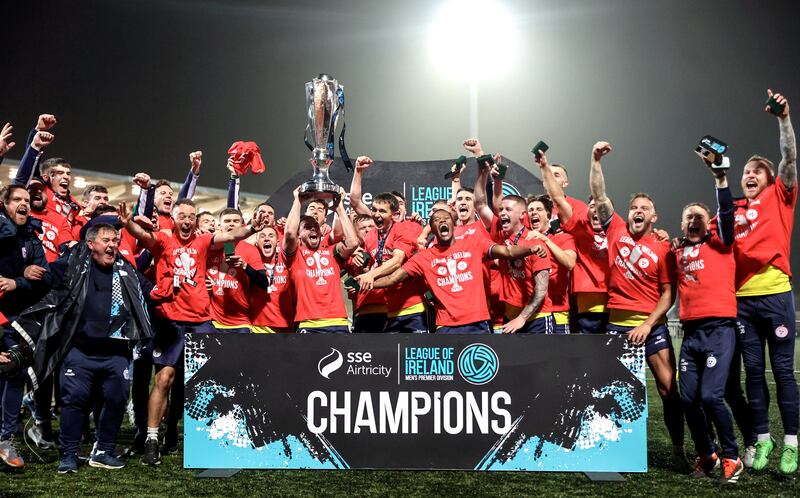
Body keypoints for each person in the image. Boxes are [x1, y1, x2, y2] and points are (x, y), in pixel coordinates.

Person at [121, 198, 268, 466]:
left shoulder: (202, 241)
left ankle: (212, 439)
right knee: (164, 378)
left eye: (191, 216)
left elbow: (232, 233)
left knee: (209, 381)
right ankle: (152, 439)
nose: (187, 221)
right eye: (182, 216)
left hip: (201, 319)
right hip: (171, 319)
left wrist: (252, 228)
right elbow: (143, 235)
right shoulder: (164, 241)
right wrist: (128, 224)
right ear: (174, 219)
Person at [17, 223, 153, 473]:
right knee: (73, 402)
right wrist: (22, 276)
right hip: (79, 351)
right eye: (106, 240)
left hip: (116, 353)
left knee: (116, 400)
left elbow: (150, 291)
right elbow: (45, 278)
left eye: (115, 240)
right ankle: (69, 455)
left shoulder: (126, 269)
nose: (112, 245)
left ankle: (104, 451)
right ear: (91, 245)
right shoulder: (72, 265)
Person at [589, 140, 690, 471]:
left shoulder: (662, 249)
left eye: (644, 207)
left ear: (654, 216)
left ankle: (678, 450)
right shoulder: (615, 228)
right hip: (617, 325)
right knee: (611, 391)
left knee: (668, 389)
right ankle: (612, 451)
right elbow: (601, 197)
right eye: (634, 206)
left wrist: (647, 324)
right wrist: (596, 161)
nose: (638, 210)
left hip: (652, 326)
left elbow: (668, 294)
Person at [733, 89, 798, 474]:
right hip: (741, 301)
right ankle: (762, 440)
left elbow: (789, 157)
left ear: (771, 179)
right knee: (753, 375)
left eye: (757, 170)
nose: (750, 175)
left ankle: (791, 442)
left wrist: (784, 119)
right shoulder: (734, 209)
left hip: (775, 295)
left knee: (784, 373)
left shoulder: (781, 195)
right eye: (746, 172)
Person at [672, 157, 744, 484]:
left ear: (709, 222)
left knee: (712, 396)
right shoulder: (675, 252)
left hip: (719, 331)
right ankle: (708, 455)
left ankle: (732, 456)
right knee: (687, 398)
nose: (694, 220)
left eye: (700, 216)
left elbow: (726, 214)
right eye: (689, 217)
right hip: (691, 335)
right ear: (682, 224)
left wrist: (720, 178)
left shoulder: (722, 244)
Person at [373, 209, 547, 334]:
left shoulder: (475, 243)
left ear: (453, 224)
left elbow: (507, 252)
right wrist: (366, 283)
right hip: (445, 326)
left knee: (481, 377)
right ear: (432, 230)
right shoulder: (423, 257)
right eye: (436, 220)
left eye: (446, 218)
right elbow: (393, 279)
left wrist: (530, 249)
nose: (442, 221)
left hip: (478, 322)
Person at [0, 185, 52, 469]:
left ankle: (5, 438)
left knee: (13, 372)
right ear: (4, 205)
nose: (24, 204)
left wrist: (18, 280)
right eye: (16, 199)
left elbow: (44, 278)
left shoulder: (31, 236)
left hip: (16, 321)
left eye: (26, 200)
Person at [351, 157, 428, 333]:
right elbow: (355, 202)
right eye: (374, 210)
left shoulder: (407, 227)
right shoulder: (371, 235)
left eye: (382, 211)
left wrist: (370, 275)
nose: (377, 214)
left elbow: (397, 261)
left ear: (394, 214)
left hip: (412, 308)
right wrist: (360, 271)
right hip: (391, 309)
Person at [536, 151, 610, 334]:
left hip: (578, 288)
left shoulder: (579, 210)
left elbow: (598, 198)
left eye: (557, 175)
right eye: (549, 175)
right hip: (549, 289)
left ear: (566, 183)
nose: (551, 178)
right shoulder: (535, 209)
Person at [282, 187, 358, 333]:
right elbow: (290, 233)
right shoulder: (295, 256)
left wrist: (340, 208)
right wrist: (297, 200)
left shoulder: (331, 253)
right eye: (308, 227)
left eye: (316, 227)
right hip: (309, 324)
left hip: (339, 322)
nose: (313, 229)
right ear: (299, 235)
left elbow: (353, 243)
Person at [525, 193, 577, 334]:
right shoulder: (526, 241)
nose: (534, 212)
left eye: (539, 209)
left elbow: (570, 263)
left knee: (557, 355)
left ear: (548, 215)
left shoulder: (564, 238)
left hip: (556, 312)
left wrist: (546, 240)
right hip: (533, 312)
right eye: (530, 210)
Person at [250, 226, 294, 333]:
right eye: (262, 236)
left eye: (271, 236)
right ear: (256, 242)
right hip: (259, 327)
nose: (266, 239)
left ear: (278, 243)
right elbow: (233, 244)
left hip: (287, 326)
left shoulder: (288, 261)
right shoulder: (250, 260)